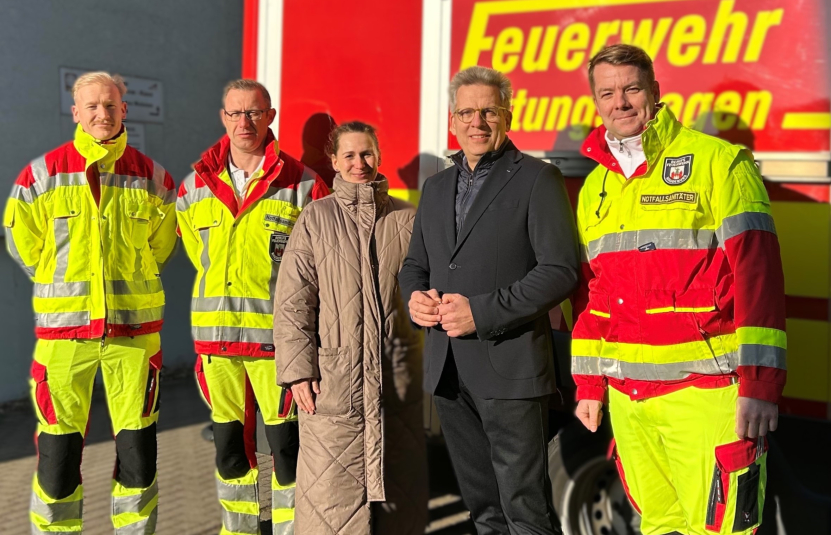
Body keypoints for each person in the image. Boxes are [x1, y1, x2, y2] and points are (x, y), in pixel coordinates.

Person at [571, 43, 786, 535]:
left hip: (707, 393)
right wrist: (589, 385)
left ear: (655, 92)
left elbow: (759, 278)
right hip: (630, 402)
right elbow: (595, 296)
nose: (620, 102)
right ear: (596, 102)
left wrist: (759, 386)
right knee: (658, 526)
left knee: (722, 531)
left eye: (631, 89)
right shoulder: (595, 188)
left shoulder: (719, 162)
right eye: (607, 93)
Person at [399, 66, 579, 535]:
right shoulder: (437, 186)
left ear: (507, 116)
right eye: (466, 112)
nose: (477, 122)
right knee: (483, 510)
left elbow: (560, 271)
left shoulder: (539, 179)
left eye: (488, 111)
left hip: (511, 369)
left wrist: (482, 312)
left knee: (525, 509)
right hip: (448, 371)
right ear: (452, 120)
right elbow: (415, 265)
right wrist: (414, 298)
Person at [4, 71, 177, 534]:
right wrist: (61, 279)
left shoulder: (153, 177)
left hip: (134, 337)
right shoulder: (40, 175)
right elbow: (23, 243)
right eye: (93, 106)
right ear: (76, 113)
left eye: (111, 105)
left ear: (125, 111)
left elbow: (161, 245)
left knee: (138, 454)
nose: (103, 114)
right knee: (58, 458)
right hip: (64, 340)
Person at [176, 79, 329, 535]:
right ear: (223, 117)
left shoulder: (303, 185)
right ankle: (238, 530)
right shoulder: (192, 187)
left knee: (287, 451)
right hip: (216, 346)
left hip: (277, 348)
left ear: (271, 117)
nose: (245, 122)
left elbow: (320, 269)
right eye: (236, 113)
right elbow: (194, 254)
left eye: (255, 113)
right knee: (229, 451)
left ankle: (290, 529)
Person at [274, 121, 428, 535]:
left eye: (367, 154)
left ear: (379, 156)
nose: (359, 163)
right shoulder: (315, 218)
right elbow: (293, 303)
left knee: (402, 501)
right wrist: (298, 372)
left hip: (398, 380)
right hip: (334, 383)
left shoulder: (407, 219)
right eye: (350, 155)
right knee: (331, 504)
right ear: (334, 161)